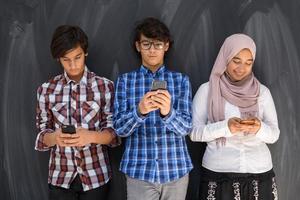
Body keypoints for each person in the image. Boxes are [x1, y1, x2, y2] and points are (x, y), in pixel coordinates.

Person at [190, 33, 280, 199]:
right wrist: (226, 127)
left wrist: (259, 128)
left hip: (260, 174)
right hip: (219, 175)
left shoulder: (262, 92)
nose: (241, 68)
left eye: (248, 62)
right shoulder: (207, 90)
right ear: (226, 58)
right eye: (236, 60)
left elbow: (274, 134)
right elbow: (194, 132)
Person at [35, 25, 118, 200]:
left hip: (96, 176)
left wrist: (91, 137)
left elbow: (113, 133)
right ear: (59, 59)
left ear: (85, 53)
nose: (73, 65)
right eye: (66, 60)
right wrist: (54, 137)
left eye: (77, 57)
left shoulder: (105, 86)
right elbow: (42, 134)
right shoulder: (46, 90)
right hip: (60, 177)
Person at [113, 17, 193, 200]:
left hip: (176, 170)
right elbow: (119, 129)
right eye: (146, 44)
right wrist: (139, 111)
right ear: (138, 46)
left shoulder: (181, 81)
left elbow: (187, 128)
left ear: (166, 46)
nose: (152, 50)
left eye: (157, 44)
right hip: (139, 170)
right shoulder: (125, 81)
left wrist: (168, 113)